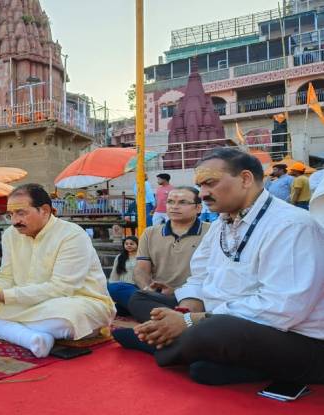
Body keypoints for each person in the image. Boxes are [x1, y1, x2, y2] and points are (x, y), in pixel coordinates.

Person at [114, 148, 324, 385]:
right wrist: (183, 313)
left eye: (210, 183)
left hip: (290, 334)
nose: (203, 194)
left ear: (245, 179)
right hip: (217, 314)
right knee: (142, 299)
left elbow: (282, 308)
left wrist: (189, 322)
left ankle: (161, 345)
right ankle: (198, 350)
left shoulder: (291, 226)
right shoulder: (220, 223)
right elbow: (199, 277)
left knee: (217, 331)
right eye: (200, 186)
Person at [0, 184, 115, 358]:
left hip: (74, 301)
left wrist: (0, 297)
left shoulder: (72, 235)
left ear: (44, 210)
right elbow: (6, 277)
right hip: (25, 302)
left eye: (21, 213)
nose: (14, 221)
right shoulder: (10, 235)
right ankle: (32, 337)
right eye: (10, 214)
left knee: (67, 319)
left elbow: (61, 288)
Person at [128, 187, 210, 322]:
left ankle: (178, 321)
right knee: (120, 290)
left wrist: (177, 291)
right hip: (159, 295)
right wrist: (147, 288)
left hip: (195, 296)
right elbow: (141, 269)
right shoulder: (150, 232)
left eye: (183, 202)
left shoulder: (211, 231)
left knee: (135, 301)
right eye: (170, 202)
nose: (174, 207)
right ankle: (181, 320)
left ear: (198, 208)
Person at [107, 236, 139, 315]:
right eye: (126, 244)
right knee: (116, 309)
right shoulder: (120, 257)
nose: (129, 245)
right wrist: (112, 286)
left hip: (136, 287)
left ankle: (133, 308)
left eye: (132, 244)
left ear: (138, 245)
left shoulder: (141, 257)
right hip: (122, 286)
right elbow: (114, 273)